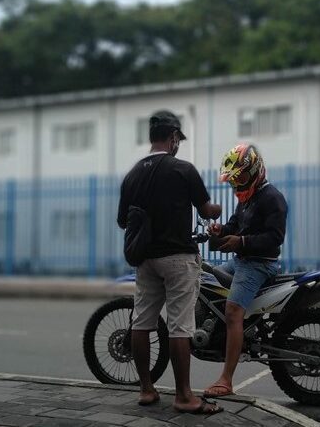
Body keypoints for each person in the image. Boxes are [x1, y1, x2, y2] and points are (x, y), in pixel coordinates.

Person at [117, 110, 223, 414]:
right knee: (180, 327)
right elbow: (206, 209)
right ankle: (184, 396)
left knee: (142, 322)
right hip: (178, 258)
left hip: (145, 260)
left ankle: (147, 390)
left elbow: (124, 221)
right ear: (173, 138)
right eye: (178, 139)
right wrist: (214, 210)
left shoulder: (132, 176)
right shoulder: (183, 169)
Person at [203, 144, 288, 397]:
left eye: (240, 177)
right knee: (208, 280)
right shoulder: (248, 198)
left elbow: (275, 237)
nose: (236, 183)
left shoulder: (272, 197)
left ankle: (226, 380)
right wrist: (221, 231)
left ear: (254, 171)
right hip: (242, 260)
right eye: (234, 179)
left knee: (232, 311)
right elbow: (234, 224)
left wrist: (241, 242)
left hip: (259, 263)